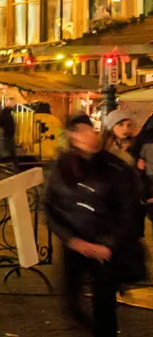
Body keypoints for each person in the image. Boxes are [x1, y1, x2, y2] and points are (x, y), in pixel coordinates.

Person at [47, 114, 146, 337]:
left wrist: (108, 244)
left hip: (104, 246)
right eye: (81, 131)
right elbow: (51, 205)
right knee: (70, 302)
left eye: (90, 130)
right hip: (75, 245)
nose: (89, 135)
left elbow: (128, 210)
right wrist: (71, 239)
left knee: (104, 303)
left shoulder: (113, 167)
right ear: (72, 136)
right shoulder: (63, 166)